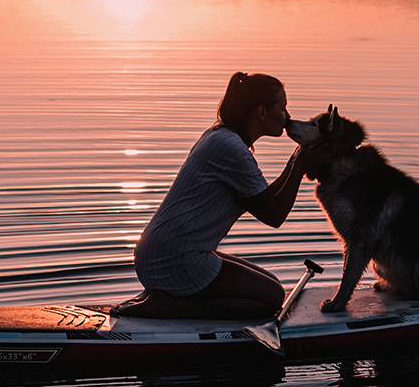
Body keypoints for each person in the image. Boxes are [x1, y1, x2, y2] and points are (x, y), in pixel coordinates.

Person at [118, 72, 318, 319]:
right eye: (283, 108)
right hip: (174, 258)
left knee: (269, 282)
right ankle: (172, 306)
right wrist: (300, 166)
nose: (287, 116)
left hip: (161, 252)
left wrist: (297, 158)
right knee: (272, 297)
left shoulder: (221, 136)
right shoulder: (233, 150)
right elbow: (275, 215)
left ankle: (168, 295)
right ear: (262, 112)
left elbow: (265, 199)